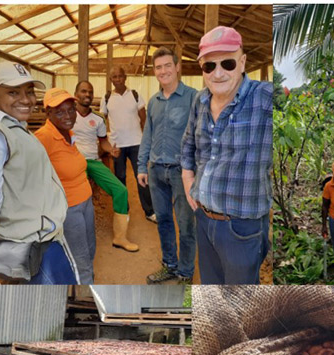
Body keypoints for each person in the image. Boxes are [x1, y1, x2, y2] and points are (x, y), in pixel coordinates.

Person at [0, 61, 77, 285]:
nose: (25, 100)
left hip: (45, 241)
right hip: (30, 247)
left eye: (29, 91)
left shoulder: (12, 126)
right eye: (13, 92)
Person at [181, 26, 273, 285]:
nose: (218, 73)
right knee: (212, 293)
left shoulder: (263, 98)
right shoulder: (200, 100)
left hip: (241, 228)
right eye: (209, 66)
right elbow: (188, 145)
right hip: (203, 218)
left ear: (242, 63)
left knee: (242, 302)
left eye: (228, 63)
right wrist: (189, 182)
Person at [137, 47, 197, 284]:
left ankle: (185, 272)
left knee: (185, 224)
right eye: (158, 67)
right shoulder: (154, 101)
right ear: (155, 71)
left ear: (177, 67)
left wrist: (194, 171)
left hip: (181, 172)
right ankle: (170, 265)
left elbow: (198, 137)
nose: (163, 71)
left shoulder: (193, 97)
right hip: (156, 170)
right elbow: (147, 135)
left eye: (167, 66)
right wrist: (142, 166)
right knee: (163, 220)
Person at [35, 88, 95, 284]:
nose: (68, 116)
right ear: (48, 113)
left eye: (71, 110)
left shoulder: (68, 133)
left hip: (86, 201)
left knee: (90, 249)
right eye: (59, 111)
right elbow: (31, 176)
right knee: (81, 259)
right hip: (68, 208)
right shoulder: (43, 138)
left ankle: (86, 281)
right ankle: (86, 292)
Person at [73, 80, 138, 252]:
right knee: (77, 193)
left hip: (93, 161)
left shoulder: (98, 119)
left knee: (121, 190)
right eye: (83, 91)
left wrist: (111, 151)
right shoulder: (68, 114)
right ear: (76, 95)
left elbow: (103, 142)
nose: (87, 95)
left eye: (90, 92)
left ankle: (120, 237)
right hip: (74, 161)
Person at [101, 66, 156, 223]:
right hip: (117, 145)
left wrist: (146, 141)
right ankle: (123, 211)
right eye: (114, 77)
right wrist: (107, 142)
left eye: (120, 76)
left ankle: (149, 211)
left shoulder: (135, 95)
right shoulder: (107, 98)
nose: (117, 79)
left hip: (137, 143)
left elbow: (144, 119)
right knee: (120, 178)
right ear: (111, 79)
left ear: (125, 78)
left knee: (142, 177)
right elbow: (103, 121)